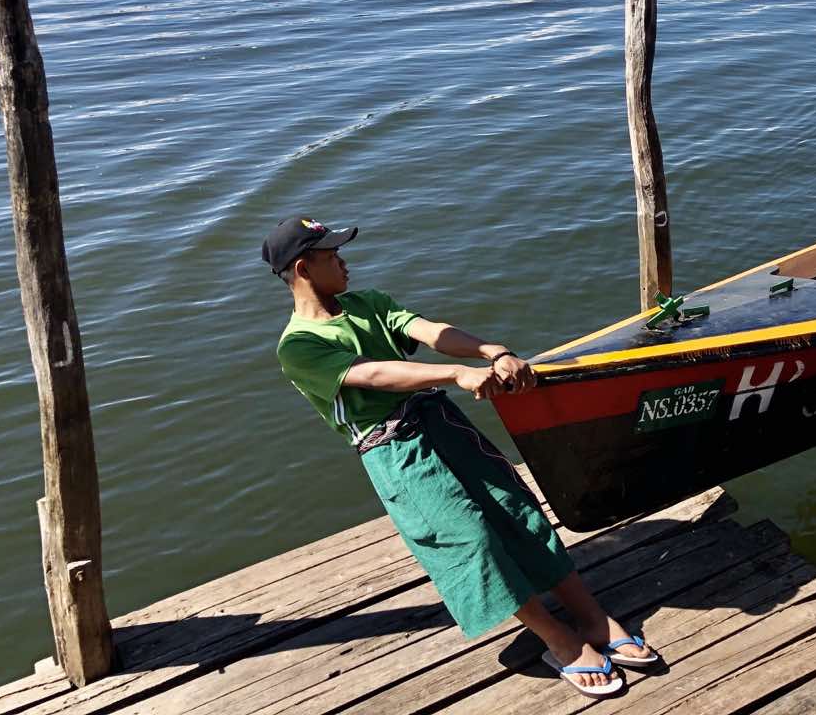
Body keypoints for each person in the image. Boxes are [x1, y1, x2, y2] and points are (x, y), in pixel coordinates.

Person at [264, 215, 660, 698]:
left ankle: (594, 620)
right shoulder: (299, 346)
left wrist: (492, 352)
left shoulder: (367, 303)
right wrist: (454, 375)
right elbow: (371, 374)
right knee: (467, 540)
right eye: (332, 257)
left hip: (444, 427)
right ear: (303, 268)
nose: (345, 263)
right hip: (396, 451)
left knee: (519, 513)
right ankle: (558, 641)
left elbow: (429, 330)